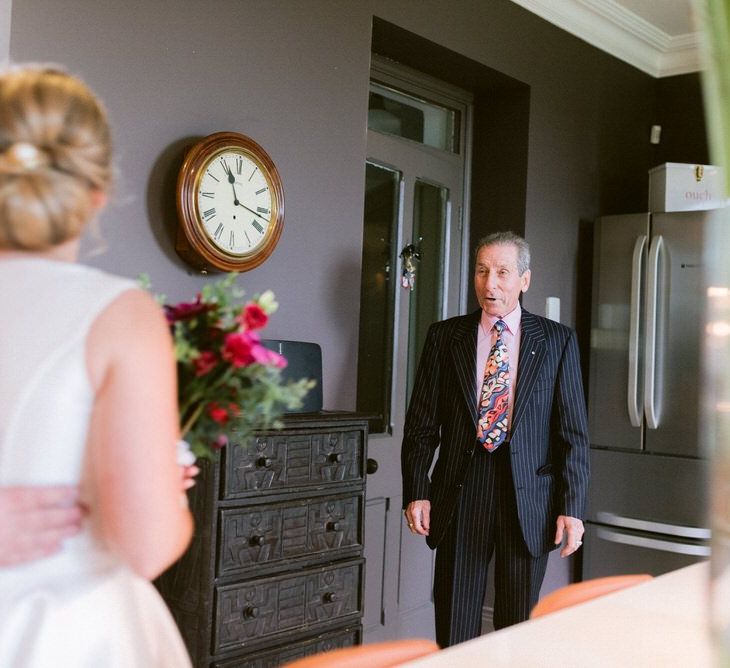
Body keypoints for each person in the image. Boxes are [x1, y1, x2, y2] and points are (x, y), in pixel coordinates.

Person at [0, 65, 194, 666]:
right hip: (66, 639)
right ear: (97, 194)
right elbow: (146, 545)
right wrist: (163, 488)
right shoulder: (120, 316)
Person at [401, 231, 590, 647]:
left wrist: (572, 508)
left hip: (530, 497)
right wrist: (417, 490)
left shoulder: (557, 341)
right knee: (455, 624)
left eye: (503, 272)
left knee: (517, 627)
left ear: (525, 279)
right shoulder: (444, 337)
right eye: (483, 270)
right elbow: (421, 425)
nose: (491, 283)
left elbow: (572, 435)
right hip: (460, 491)